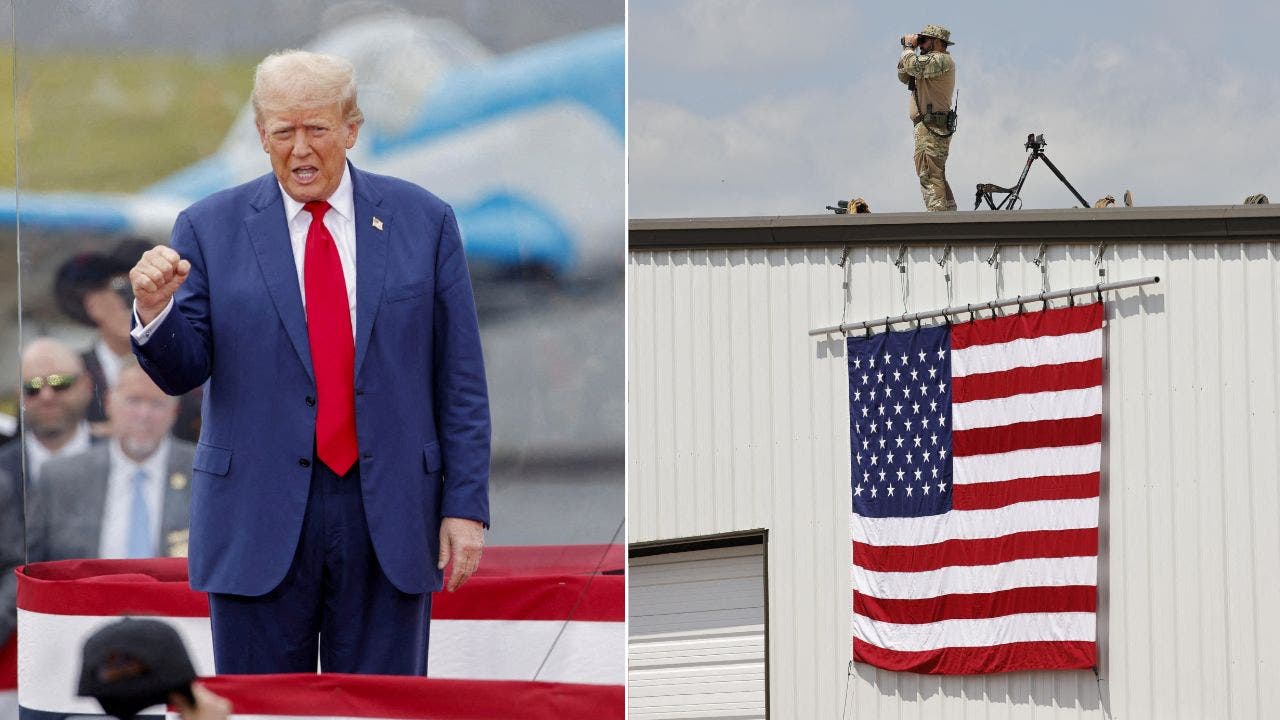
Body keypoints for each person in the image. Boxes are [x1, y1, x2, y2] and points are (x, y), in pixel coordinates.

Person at [128, 50, 490, 676]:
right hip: (256, 515)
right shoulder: (208, 226)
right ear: (260, 135)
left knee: (384, 714)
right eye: (283, 131)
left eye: (317, 129)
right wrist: (154, 311)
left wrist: (464, 506)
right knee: (259, 713)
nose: (301, 149)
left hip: (391, 515)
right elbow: (183, 370)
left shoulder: (424, 221)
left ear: (352, 129)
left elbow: (459, 380)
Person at [28, 362, 194, 562]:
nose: (144, 415)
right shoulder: (60, 477)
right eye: (133, 401)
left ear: (174, 412)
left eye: (156, 403)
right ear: (109, 403)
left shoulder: (202, 474)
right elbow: (32, 564)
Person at [0, 338, 98, 487]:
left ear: (86, 385)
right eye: (33, 387)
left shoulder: (121, 460)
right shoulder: (3, 468)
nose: (46, 396)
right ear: (19, 395)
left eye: (59, 382)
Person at [898, 24, 957, 212]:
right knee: (935, 174)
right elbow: (903, 74)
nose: (921, 44)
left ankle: (938, 218)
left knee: (929, 173)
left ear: (938, 42)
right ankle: (949, 215)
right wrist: (909, 49)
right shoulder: (926, 63)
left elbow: (913, 66)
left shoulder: (942, 61)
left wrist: (909, 48)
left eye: (924, 41)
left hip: (932, 127)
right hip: (927, 127)